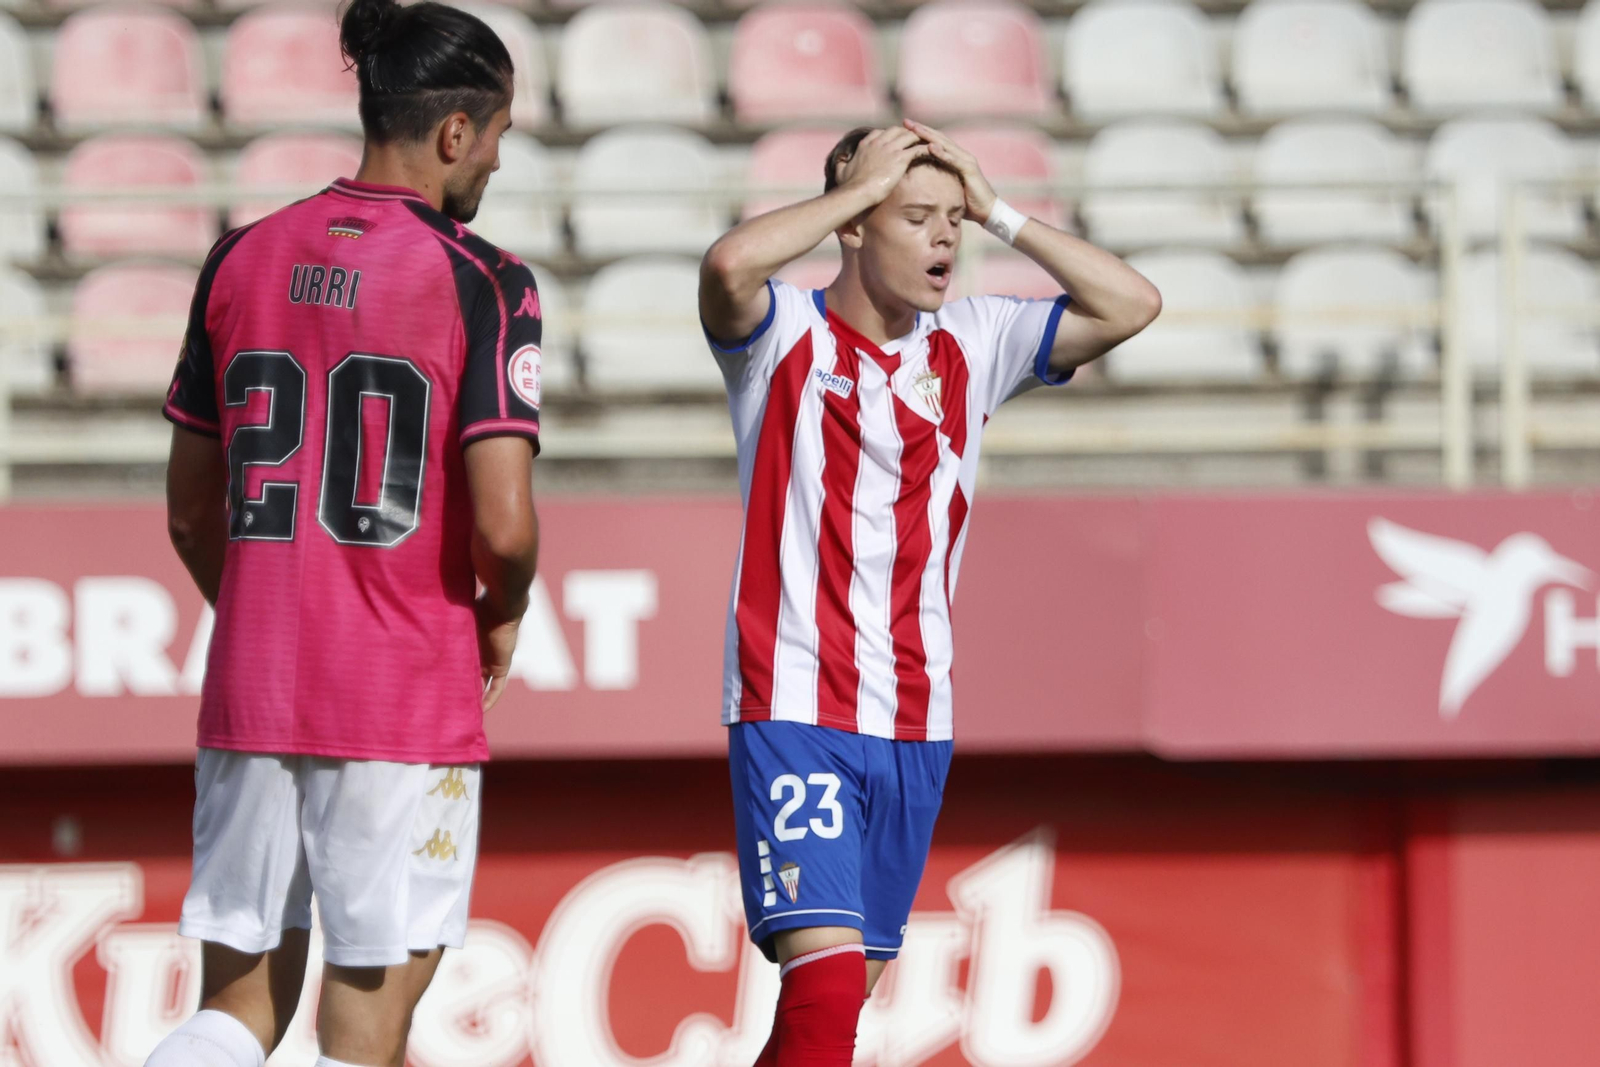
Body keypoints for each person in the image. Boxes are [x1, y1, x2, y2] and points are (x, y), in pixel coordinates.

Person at [699, 121, 1161, 1065]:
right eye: (918, 216)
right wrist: (850, 197)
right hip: (796, 702)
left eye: (955, 220)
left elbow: (1132, 302)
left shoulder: (974, 342)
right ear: (858, 224)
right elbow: (727, 266)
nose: (947, 238)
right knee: (826, 994)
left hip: (917, 718)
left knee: (829, 1010)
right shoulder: (781, 332)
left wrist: (999, 209)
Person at [147, 0, 541, 1064]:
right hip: (404, 691)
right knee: (362, 1033)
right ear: (456, 131)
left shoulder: (239, 256)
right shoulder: (485, 279)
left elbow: (190, 504)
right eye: (500, 134)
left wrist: (272, 612)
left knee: (232, 1012)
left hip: (254, 682)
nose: (497, 162)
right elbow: (502, 526)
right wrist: (501, 616)